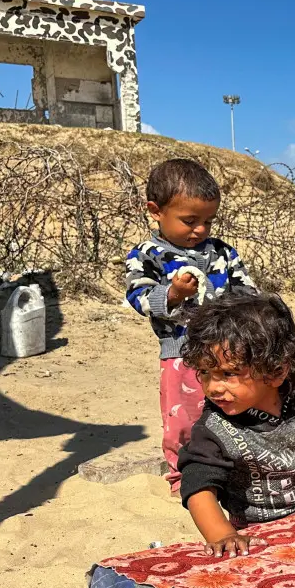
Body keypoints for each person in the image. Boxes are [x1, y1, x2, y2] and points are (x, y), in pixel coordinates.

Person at [177, 293, 295, 557]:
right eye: (205, 374)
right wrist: (222, 535)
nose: (212, 388)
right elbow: (198, 483)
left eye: (228, 374)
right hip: (258, 531)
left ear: (276, 371)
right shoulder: (214, 426)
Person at [124, 159, 256, 494]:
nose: (200, 229)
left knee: (232, 410)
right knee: (182, 420)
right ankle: (183, 477)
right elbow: (137, 295)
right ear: (156, 211)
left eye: (208, 221)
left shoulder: (222, 253)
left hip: (228, 352)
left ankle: (233, 469)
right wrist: (172, 294)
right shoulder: (148, 255)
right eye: (189, 220)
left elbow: (246, 290)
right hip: (181, 354)